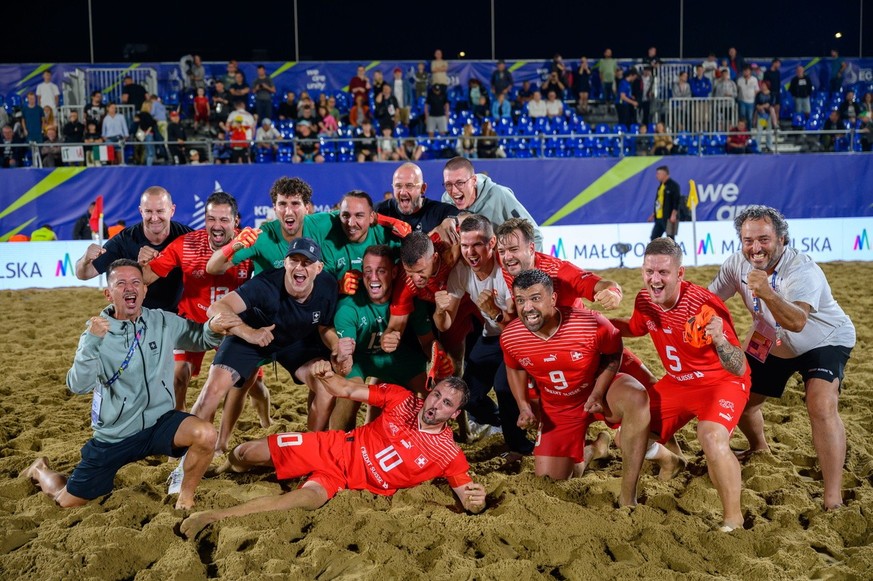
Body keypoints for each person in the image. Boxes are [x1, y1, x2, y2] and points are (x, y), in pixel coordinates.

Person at [179, 362, 485, 539]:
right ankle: (226, 468)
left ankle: (215, 516)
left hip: (345, 483)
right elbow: (347, 390)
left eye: (446, 403)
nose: (435, 405)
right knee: (245, 454)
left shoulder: (448, 454)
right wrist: (326, 375)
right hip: (334, 448)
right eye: (436, 395)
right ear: (428, 392)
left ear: (455, 414)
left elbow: (469, 501)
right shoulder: (402, 399)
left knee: (304, 500)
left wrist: (476, 501)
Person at [25, 259, 237, 510]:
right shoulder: (96, 333)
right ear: (108, 293)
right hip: (116, 435)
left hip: (159, 422)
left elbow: (199, 338)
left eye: (136, 282)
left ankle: (185, 498)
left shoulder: (162, 321)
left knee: (205, 434)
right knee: (67, 502)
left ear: (145, 290)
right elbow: (77, 385)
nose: (130, 288)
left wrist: (212, 328)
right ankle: (40, 470)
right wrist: (92, 342)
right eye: (121, 283)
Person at [708, 206, 855, 510]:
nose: (755, 248)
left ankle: (833, 497)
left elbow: (798, 321)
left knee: (820, 404)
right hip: (773, 338)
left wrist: (768, 293)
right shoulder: (736, 264)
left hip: (824, 339)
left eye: (764, 239)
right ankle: (759, 448)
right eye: (748, 241)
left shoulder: (802, 269)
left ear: (782, 239)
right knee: (742, 399)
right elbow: (708, 299)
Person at [612, 238, 751, 531]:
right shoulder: (645, 300)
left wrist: (721, 339)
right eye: (649, 271)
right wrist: (599, 322)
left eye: (663, 272)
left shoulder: (703, 304)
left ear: (680, 274)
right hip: (679, 382)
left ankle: (733, 519)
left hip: (721, 382)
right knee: (626, 437)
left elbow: (738, 365)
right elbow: (635, 328)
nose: (655, 279)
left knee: (711, 436)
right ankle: (671, 461)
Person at [500, 269, 651, 505]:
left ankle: (628, 496)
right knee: (552, 482)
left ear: (553, 299)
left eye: (535, 298)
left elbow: (614, 353)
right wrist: (523, 407)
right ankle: (594, 449)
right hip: (558, 407)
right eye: (520, 300)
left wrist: (598, 392)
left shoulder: (590, 323)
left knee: (637, 397)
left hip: (597, 391)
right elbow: (514, 368)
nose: (527, 307)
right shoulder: (511, 336)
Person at [188, 237, 348, 446]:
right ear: (285, 263)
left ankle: (311, 451)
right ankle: (187, 456)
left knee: (326, 387)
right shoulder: (266, 284)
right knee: (212, 390)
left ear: (318, 268)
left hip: (296, 340)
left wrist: (336, 346)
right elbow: (216, 308)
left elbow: (324, 326)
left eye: (306, 262)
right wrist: (248, 332)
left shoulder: (327, 285)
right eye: (294, 261)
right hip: (253, 334)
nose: (299, 267)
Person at [434, 214, 533, 457]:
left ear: (491, 244)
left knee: (503, 385)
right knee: (466, 395)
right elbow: (446, 324)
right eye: (465, 245)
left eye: (476, 244)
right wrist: (439, 309)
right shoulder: (461, 271)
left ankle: (519, 445)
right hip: (491, 337)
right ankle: (505, 423)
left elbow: (518, 328)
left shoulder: (506, 270)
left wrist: (495, 313)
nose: (470, 252)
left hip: (516, 339)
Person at [331, 245, 435, 428]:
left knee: (434, 393)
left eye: (381, 271)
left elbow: (427, 342)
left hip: (398, 357)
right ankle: (338, 446)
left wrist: (437, 361)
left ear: (394, 272)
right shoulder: (348, 306)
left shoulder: (408, 297)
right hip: (361, 358)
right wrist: (341, 359)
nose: (373, 278)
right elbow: (344, 356)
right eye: (368, 271)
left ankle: (437, 438)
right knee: (347, 394)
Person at [75, 187, 193, 312]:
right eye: (148, 211)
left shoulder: (187, 237)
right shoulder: (125, 240)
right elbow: (83, 274)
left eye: (160, 211)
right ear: (141, 211)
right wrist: (85, 259)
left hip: (178, 315)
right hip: (137, 316)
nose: (154, 218)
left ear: (172, 210)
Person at [440, 156, 543, 250]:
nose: (454, 191)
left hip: (501, 263)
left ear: (474, 180)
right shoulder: (446, 200)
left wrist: (533, 268)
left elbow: (534, 235)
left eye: (460, 183)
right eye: (448, 184)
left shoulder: (499, 195)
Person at [647, 165, 681, 241]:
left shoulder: (674, 185)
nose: (656, 176)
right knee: (654, 238)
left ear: (664, 174)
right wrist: (654, 214)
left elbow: (677, 201)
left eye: (658, 174)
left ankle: (673, 253)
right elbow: (659, 201)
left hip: (669, 217)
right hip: (659, 217)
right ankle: (657, 253)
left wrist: (674, 214)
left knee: (671, 239)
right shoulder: (660, 186)